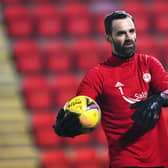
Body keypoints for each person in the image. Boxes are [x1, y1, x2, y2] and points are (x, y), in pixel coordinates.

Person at [53, 10, 168, 168]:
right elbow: (82, 104)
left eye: (131, 31)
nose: (128, 38)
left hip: (161, 160)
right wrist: (73, 120)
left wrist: (160, 99)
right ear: (108, 38)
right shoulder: (98, 75)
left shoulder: (149, 64)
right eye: (121, 33)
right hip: (125, 161)